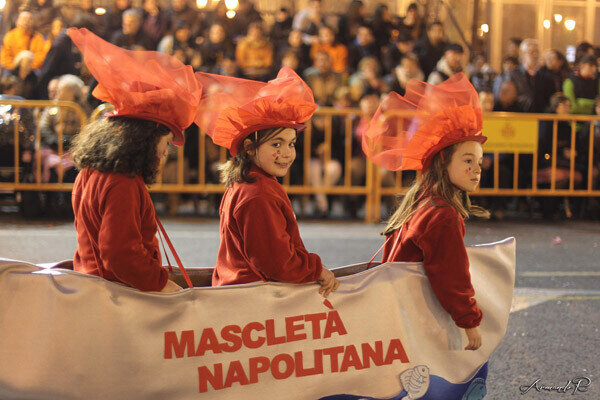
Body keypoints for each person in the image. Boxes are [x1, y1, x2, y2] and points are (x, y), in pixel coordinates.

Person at [67, 27, 202, 292]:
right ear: (144, 140)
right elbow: (120, 255)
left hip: (94, 286)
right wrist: (163, 286)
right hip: (116, 295)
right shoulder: (122, 183)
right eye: (164, 144)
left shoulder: (95, 170)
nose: (165, 153)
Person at [362, 73, 488, 352]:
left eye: (479, 161)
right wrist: (469, 322)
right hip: (408, 315)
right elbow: (450, 274)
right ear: (443, 163)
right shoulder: (442, 214)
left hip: (394, 306)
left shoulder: (423, 198)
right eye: (468, 160)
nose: (477, 169)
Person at [194, 67, 339, 297]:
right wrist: (316, 270)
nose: (286, 153)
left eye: (291, 144)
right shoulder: (257, 193)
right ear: (250, 148)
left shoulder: (251, 183)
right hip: (252, 298)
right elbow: (277, 264)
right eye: (276, 144)